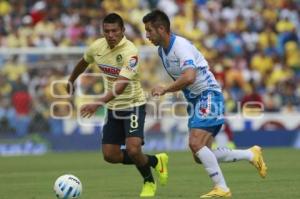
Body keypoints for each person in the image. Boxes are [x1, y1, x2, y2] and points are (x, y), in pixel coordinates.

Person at [142, 10, 267, 198]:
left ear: (161, 29)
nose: (147, 35)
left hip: (208, 95)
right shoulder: (162, 51)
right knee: (200, 155)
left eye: (150, 30)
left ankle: (222, 188)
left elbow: (190, 77)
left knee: (195, 143)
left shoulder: (180, 46)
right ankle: (251, 155)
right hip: (195, 100)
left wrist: (165, 89)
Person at [67, 13, 168, 197]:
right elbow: (83, 62)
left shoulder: (130, 52)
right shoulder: (97, 47)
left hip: (133, 105)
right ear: (102, 31)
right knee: (110, 155)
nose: (111, 34)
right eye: (107, 31)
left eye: (115, 30)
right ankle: (155, 161)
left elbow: (120, 86)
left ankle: (148, 182)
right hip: (113, 108)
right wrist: (71, 80)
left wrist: (96, 103)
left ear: (123, 30)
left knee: (133, 148)